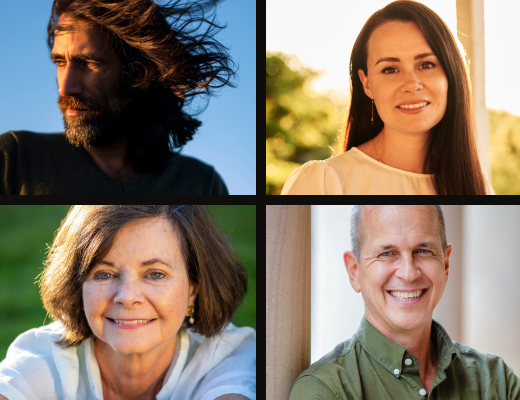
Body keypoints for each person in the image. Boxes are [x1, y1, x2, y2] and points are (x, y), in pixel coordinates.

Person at [0, 205, 255, 400]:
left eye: (155, 274)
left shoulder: (230, 355)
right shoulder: (41, 356)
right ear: (78, 285)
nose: (127, 296)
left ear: (193, 288)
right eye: (104, 274)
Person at [0, 0, 237, 195]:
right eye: (60, 62)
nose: (66, 87)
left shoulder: (201, 185)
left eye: (88, 64)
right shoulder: (16, 159)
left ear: (141, 73)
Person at [289, 205, 519, 399]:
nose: (408, 273)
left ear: (446, 265)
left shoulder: (497, 381)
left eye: (423, 250)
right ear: (354, 271)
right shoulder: (325, 390)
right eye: (387, 253)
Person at [281, 1, 495, 195]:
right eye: (390, 69)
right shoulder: (324, 183)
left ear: (451, 74)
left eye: (426, 65)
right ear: (367, 84)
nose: (412, 84)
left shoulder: (477, 186)